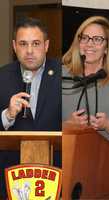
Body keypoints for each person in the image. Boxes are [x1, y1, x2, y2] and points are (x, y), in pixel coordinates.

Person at [0, 17, 61, 198]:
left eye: (35, 43)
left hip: (56, 173)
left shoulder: (65, 74)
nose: (29, 51)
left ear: (46, 45)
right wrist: (7, 115)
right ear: (14, 46)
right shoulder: (2, 77)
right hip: (9, 178)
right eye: (23, 44)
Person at [62, 16, 109, 150]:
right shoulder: (60, 75)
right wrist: (67, 126)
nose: (89, 44)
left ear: (107, 48)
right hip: (64, 159)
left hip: (107, 163)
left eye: (97, 39)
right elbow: (42, 129)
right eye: (85, 38)